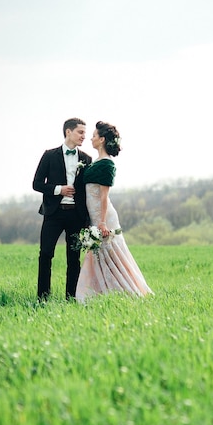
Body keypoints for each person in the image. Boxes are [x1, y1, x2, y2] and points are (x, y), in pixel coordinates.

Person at [75, 121, 153, 303]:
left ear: (101, 140)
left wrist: (101, 222)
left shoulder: (106, 165)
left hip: (104, 216)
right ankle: (101, 292)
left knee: (111, 253)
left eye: (94, 135)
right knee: (99, 254)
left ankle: (124, 290)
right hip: (94, 216)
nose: (91, 138)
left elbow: (104, 197)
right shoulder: (95, 163)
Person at [33, 118, 92, 301]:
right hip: (54, 214)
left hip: (76, 215)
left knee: (73, 258)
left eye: (85, 132)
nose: (84, 136)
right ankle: (43, 298)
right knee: (45, 254)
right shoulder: (49, 155)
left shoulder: (86, 159)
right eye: (80, 132)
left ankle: (71, 298)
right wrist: (59, 189)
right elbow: (36, 184)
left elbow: (88, 191)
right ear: (68, 132)